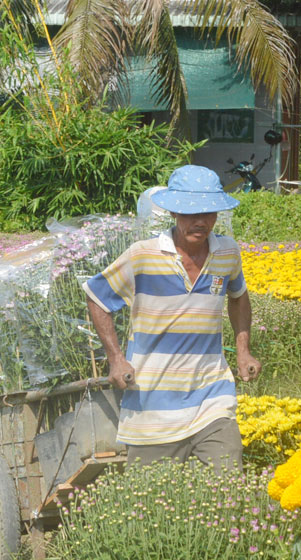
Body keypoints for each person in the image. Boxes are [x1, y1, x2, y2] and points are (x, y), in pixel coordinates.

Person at [84, 165, 260, 471]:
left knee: (229, 488)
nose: (201, 221)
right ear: (173, 214)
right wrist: (115, 358)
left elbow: (238, 296)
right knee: (151, 504)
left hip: (212, 397)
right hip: (152, 407)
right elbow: (97, 297)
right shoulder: (142, 255)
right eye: (191, 214)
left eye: (209, 213)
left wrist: (243, 350)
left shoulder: (228, 253)